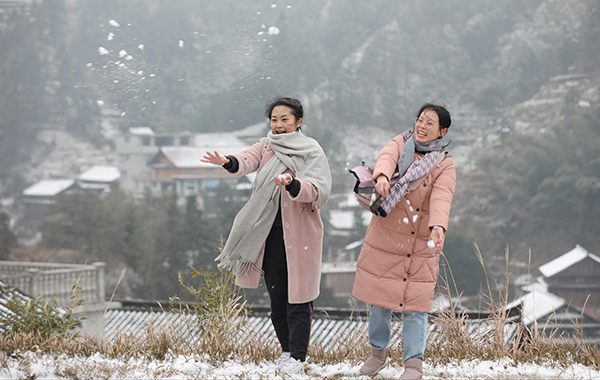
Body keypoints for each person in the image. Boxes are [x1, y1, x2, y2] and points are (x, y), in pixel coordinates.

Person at [201, 96, 332, 377]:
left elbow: (319, 187)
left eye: (285, 119)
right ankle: (286, 351)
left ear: (299, 122)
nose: (279, 124)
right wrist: (227, 161)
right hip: (269, 235)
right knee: (277, 300)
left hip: (301, 235)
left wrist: (293, 184)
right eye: (274, 119)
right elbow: (246, 160)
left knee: (299, 299)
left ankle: (298, 357)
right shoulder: (266, 145)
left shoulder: (310, 150)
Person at [352, 103, 456, 380]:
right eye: (420, 120)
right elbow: (386, 157)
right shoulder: (402, 142)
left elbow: (442, 197)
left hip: (418, 243)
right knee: (378, 302)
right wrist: (383, 176)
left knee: (415, 307)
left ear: (442, 131)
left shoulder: (444, 164)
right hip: (386, 235)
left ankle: (413, 365)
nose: (421, 126)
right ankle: (377, 354)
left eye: (429, 123)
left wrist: (437, 226)